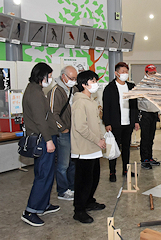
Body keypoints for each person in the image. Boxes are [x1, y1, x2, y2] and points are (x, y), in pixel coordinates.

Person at [21, 62, 60, 227]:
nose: (50, 79)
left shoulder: (36, 90)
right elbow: (39, 120)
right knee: (43, 175)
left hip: (45, 137)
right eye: (49, 76)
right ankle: (30, 210)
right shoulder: (35, 93)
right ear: (41, 75)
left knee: (47, 173)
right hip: (43, 139)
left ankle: (43, 204)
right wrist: (49, 140)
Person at [71, 70, 106, 224]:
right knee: (83, 182)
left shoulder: (91, 100)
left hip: (94, 147)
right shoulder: (79, 102)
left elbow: (95, 123)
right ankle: (78, 210)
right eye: (92, 81)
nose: (95, 84)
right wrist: (96, 140)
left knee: (94, 178)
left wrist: (101, 138)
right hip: (84, 148)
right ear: (84, 84)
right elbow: (80, 127)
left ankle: (89, 202)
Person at [102, 62, 140, 182]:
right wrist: (107, 123)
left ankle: (126, 170)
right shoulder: (110, 88)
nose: (125, 74)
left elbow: (135, 106)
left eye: (126, 72)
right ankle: (112, 172)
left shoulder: (131, 86)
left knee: (126, 149)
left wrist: (136, 121)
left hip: (128, 123)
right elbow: (106, 107)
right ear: (116, 73)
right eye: (122, 72)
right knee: (114, 149)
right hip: (115, 124)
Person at [47, 66, 78, 201]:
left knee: (73, 162)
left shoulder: (75, 89)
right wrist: (63, 128)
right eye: (71, 78)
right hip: (63, 133)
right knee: (63, 164)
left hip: (74, 132)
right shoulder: (55, 91)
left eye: (75, 78)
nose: (73, 81)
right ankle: (62, 190)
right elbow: (53, 114)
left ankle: (72, 187)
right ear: (63, 76)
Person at [138, 64, 161, 169]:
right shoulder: (142, 85)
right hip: (145, 113)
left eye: (154, 73)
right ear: (146, 73)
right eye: (150, 73)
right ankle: (144, 159)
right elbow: (137, 101)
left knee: (151, 137)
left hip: (154, 113)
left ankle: (150, 157)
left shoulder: (157, 84)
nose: (153, 75)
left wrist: (159, 112)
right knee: (145, 138)